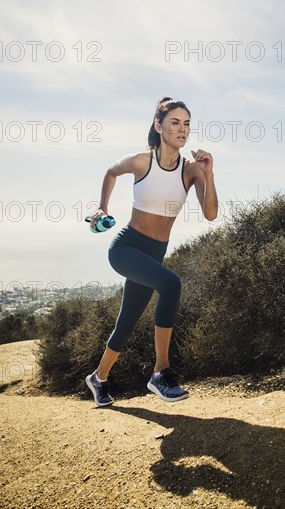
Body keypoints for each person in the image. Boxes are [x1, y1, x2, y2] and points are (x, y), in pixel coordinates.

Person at [85, 97, 218, 407]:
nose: (182, 129)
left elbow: (210, 214)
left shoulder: (191, 170)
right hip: (127, 248)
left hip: (154, 254)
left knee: (126, 322)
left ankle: (98, 378)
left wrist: (209, 174)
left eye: (186, 123)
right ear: (159, 126)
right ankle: (161, 372)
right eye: (175, 122)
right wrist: (102, 206)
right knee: (171, 284)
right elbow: (110, 171)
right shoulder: (142, 161)